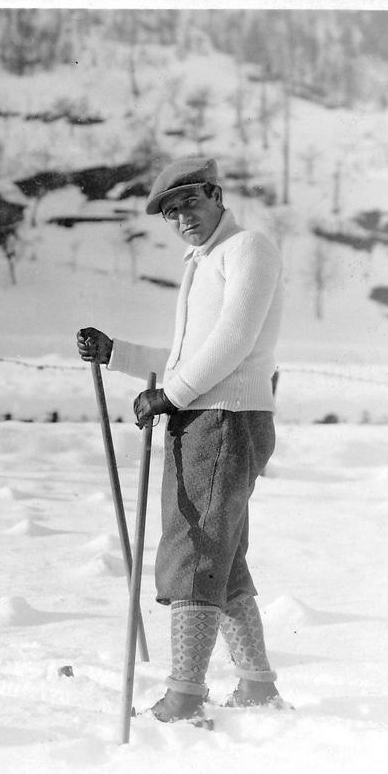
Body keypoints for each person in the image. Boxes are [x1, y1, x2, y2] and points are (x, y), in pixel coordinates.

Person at [77, 157, 287, 722]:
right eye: (170, 213)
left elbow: (235, 341)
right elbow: (186, 359)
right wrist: (117, 354)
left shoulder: (248, 248)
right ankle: (256, 686)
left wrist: (171, 396)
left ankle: (186, 696)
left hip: (225, 416)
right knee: (222, 556)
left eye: (189, 203)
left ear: (217, 195)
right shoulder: (206, 259)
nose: (181, 218)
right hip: (207, 415)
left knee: (194, 551)